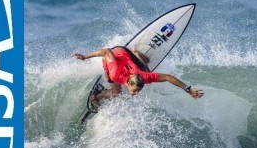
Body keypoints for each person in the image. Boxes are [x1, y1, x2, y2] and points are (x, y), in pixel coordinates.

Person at [71, 46, 203, 107]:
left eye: (138, 91)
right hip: (116, 54)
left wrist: (188, 89)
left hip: (126, 59)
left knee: (146, 69)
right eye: (135, 91)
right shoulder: (116, 73)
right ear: (128, 83)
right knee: (117, 92)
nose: (135, 94)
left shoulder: (144, 77)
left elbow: (168, 77)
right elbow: (106, 51)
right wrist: (84, 57)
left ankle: (137, 55)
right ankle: (96, 96)